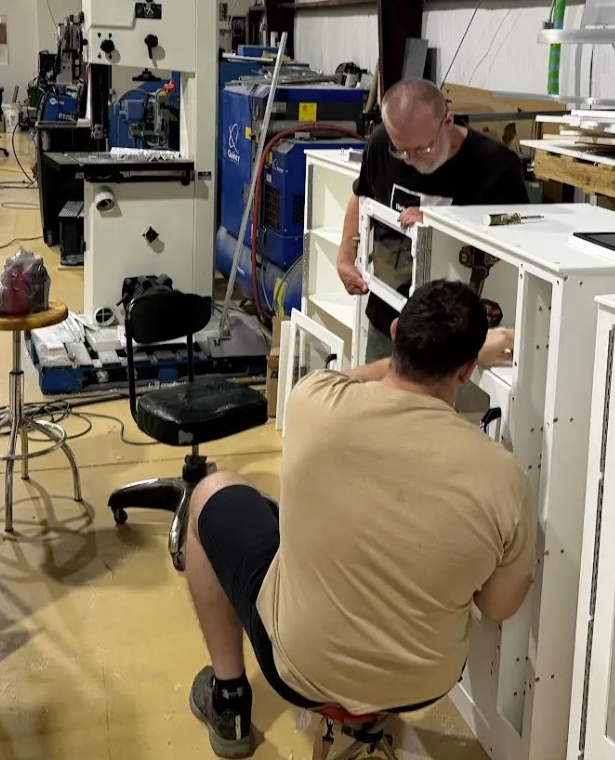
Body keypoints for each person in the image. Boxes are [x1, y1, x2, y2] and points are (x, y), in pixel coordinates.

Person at [183, 280, 534, 757]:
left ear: (394, 333)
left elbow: (353, 380)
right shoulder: (505, 479)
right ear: (467, 371)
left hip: (300, 673)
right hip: (425, 683)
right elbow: (496, 607)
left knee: (211, 491)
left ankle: (229, 700)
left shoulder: (313, 402)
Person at [337, 80, 528, 357]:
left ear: (447, 121)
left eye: (422, 148)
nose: (410, 159)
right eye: (401, 149)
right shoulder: (381, 144)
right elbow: (362, 194)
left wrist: (444, 220)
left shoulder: (495, 165)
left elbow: (519, 224)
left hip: (452, 333)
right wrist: (346, 251)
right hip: (387, 314)